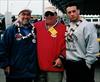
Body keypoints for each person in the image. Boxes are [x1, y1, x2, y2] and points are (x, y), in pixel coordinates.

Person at [0, 9, 39, 82]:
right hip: (14, 72)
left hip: (29, 72)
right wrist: (5, 65)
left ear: (30, 16)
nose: (26, 17)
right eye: (23, 14)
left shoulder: (34, 30)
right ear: (19, 16)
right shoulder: (11, 30)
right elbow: (3, 48)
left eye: (28, 15)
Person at [64, 1, 99, 82]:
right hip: (70, 64)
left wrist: (88, 63)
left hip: (82, 64)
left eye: (74, 11)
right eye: (69, 12)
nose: (72, 14)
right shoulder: (68, 26)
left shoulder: (87, 25)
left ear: (78, 11)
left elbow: (93, 46)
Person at [34, 6, 66, 82]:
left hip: (54, 68)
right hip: (39, 68)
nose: (49, 16)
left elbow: (69, 46)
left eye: (51, 14)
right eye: (47, 14)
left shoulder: (64, 28)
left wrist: (61, 58)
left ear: (56, 15)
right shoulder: (37, 26)